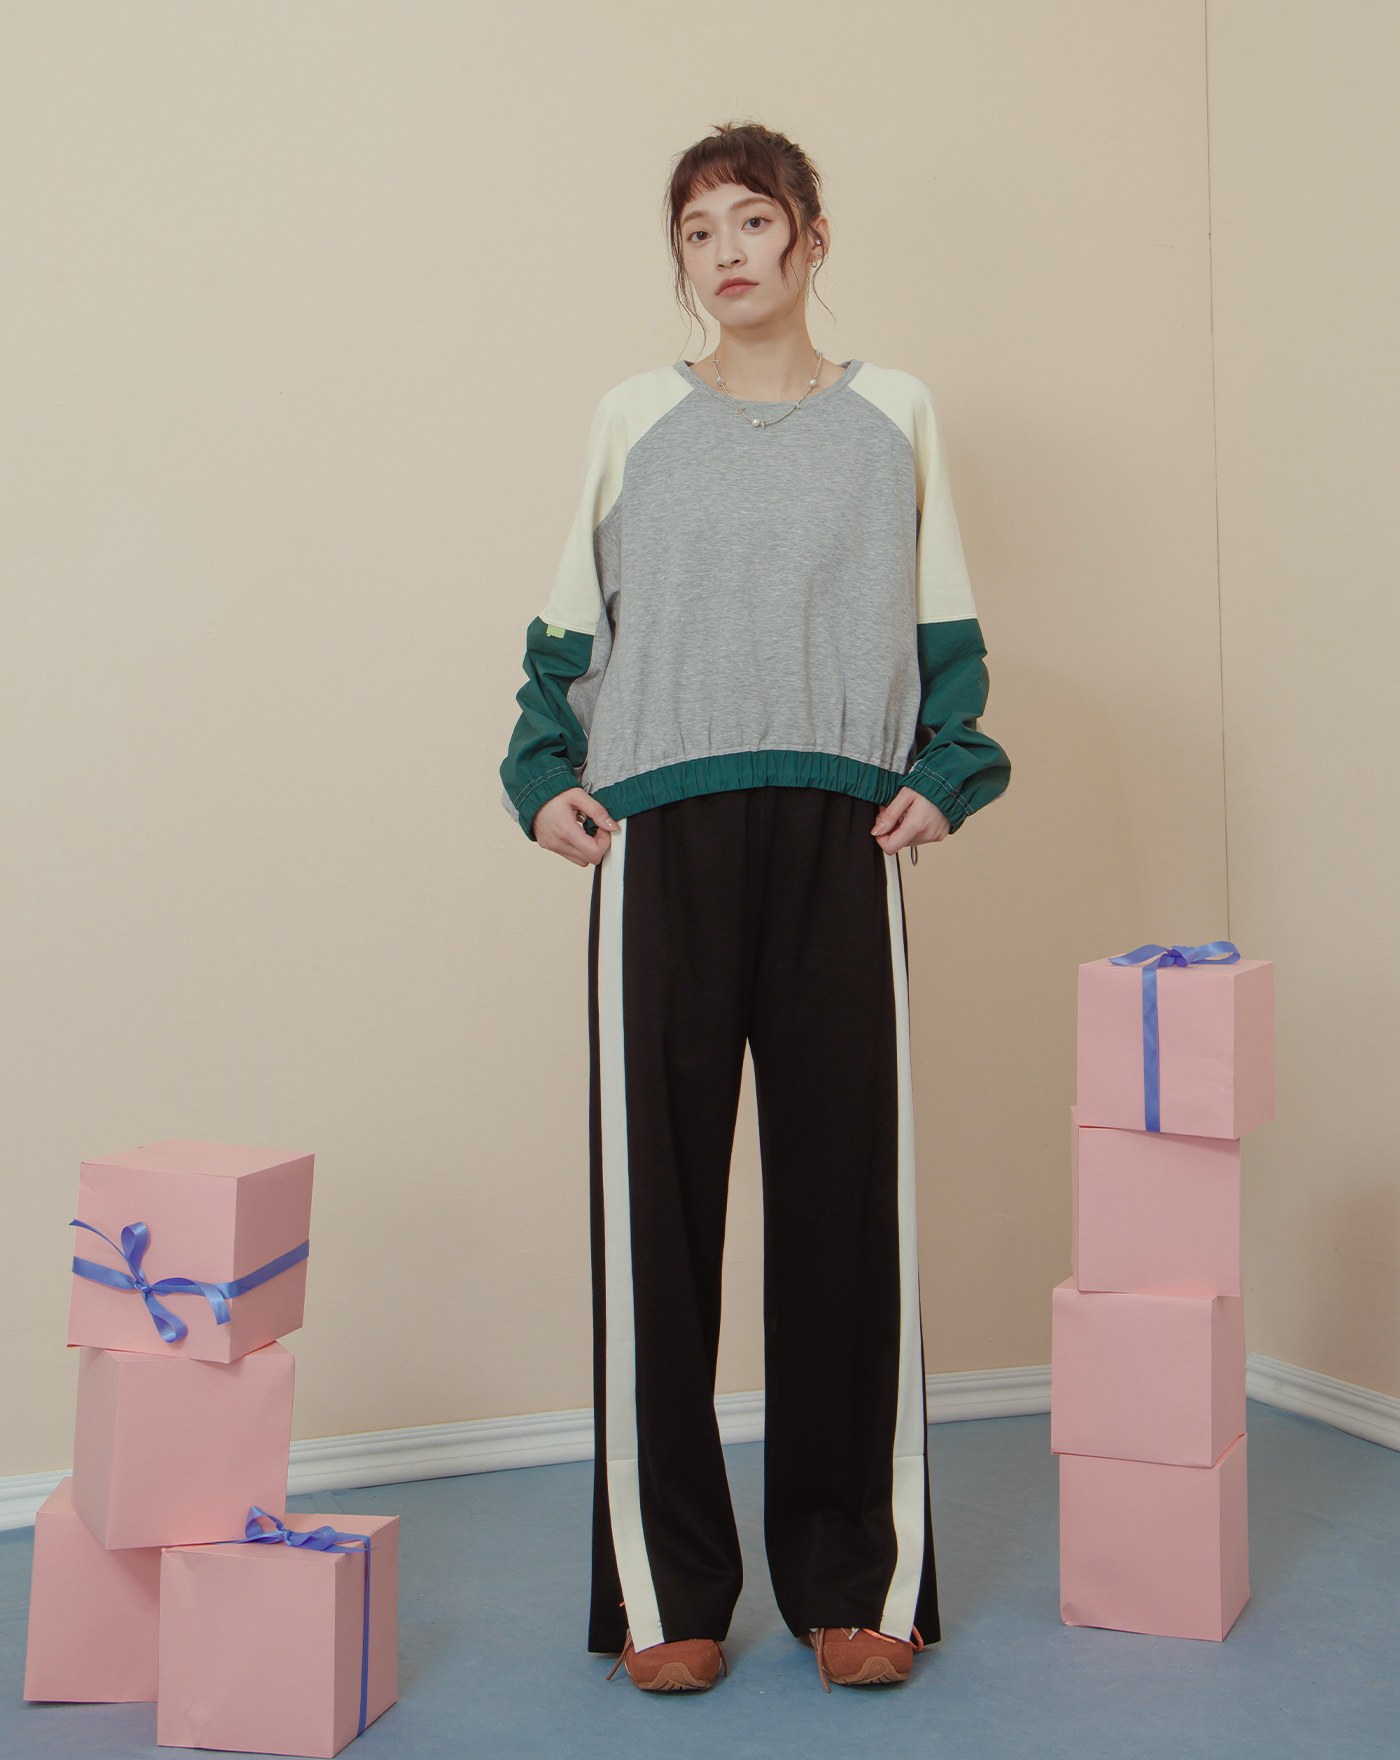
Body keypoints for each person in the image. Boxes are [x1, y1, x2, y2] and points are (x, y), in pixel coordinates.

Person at [499, 120, 1011, 1695]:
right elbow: (565, 633)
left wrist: (950, 770)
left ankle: (855, 1581)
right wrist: (541, 775)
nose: (726, 252)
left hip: (842, 836)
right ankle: (669, 1595)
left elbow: (945, 627)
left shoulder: (896, 414)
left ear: (812, 238)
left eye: (754, 221)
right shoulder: (633, 417)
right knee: (654, 1220)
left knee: (847, 1208)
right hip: (659, 836)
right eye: (698, 231)